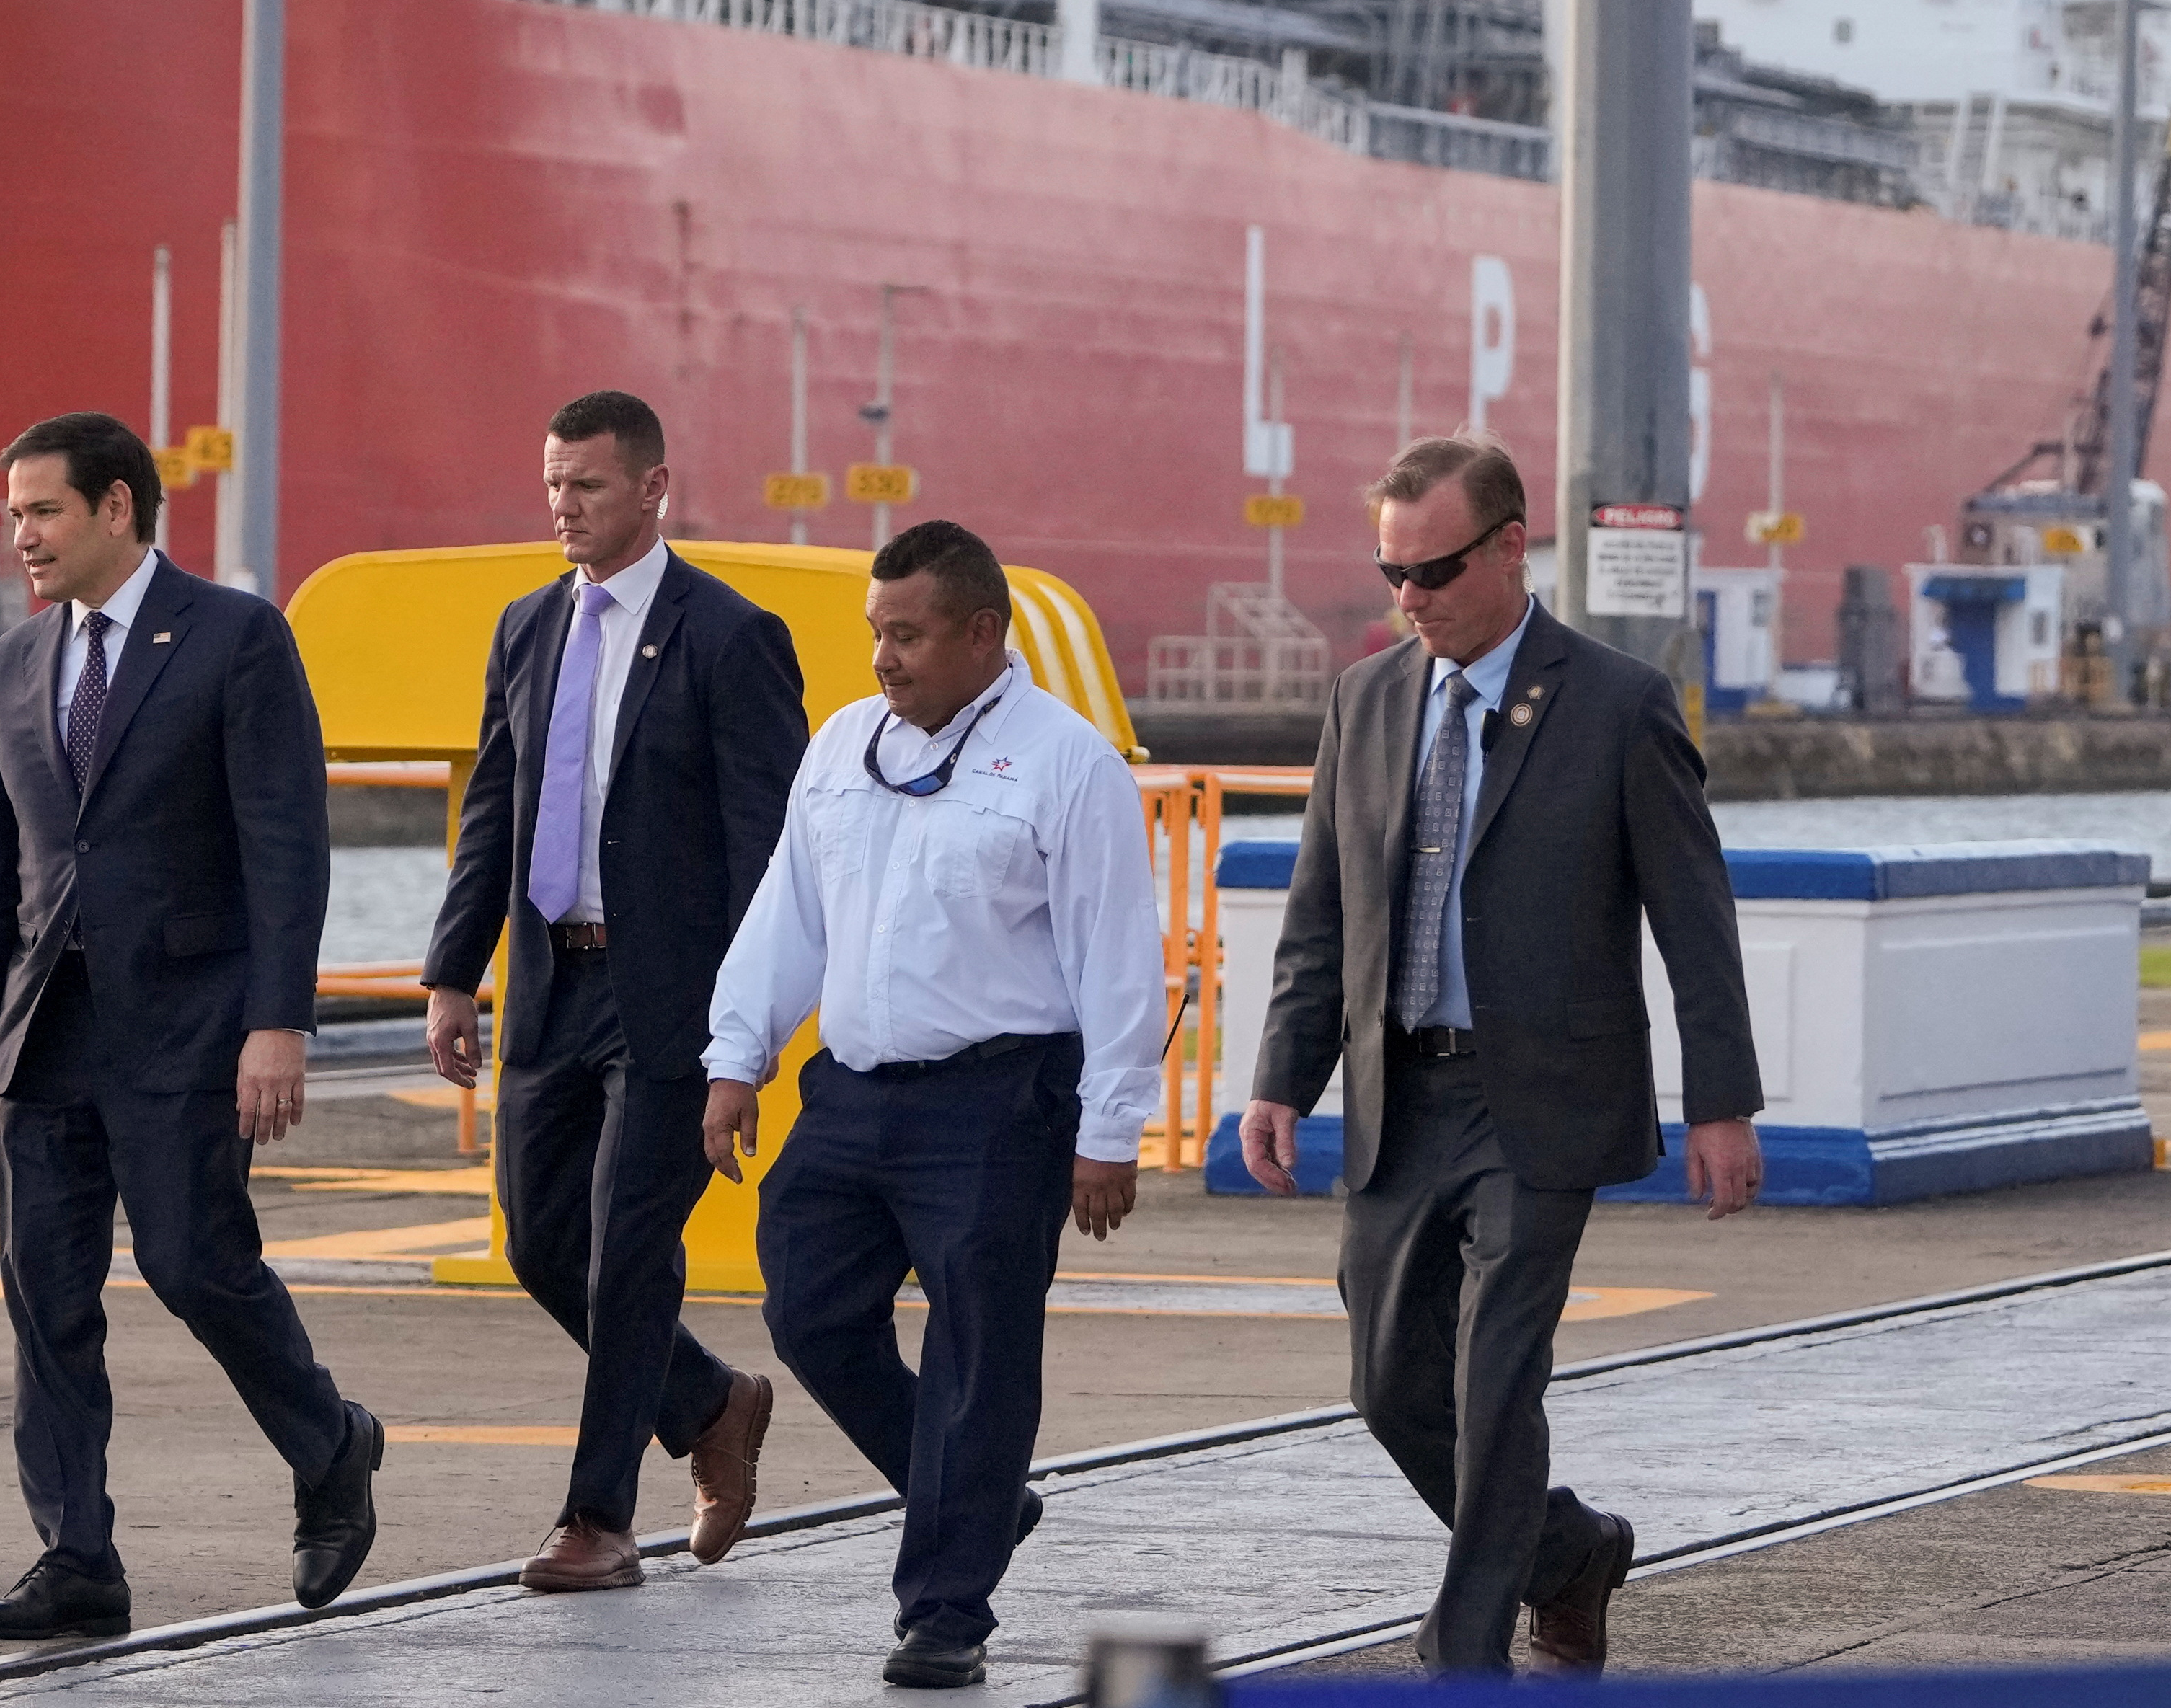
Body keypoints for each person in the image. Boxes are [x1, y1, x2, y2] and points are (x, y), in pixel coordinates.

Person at [1241, 435, 1763, 1677]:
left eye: (1433, 570)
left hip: (1541, 1102)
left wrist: (1723, 1102)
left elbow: (1695, 917)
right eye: (1391, 571)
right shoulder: (1365, 701)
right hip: (1398, 1094)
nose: (1409, 597)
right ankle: (1569, 1551)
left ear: (1512, 544)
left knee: (1494, 1381)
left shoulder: (1619, 703)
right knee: (1387, 1385)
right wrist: (1279, 1078)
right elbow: (1322, 912)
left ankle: (1462, 1655)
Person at [0, 412, 384, 1640]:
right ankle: (76, 1556)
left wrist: (279, 1022)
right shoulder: (10, 663)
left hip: (187, 1024)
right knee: (45, 1296)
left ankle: (332, 1444)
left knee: (193, 1263)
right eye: (14, 514)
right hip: (43, 1032)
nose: (22, 535)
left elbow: (286, 844)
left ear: (118, 506)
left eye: (43, 511)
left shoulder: (235, 636)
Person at [699, 520, 1162, 1691]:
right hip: (854, 1091)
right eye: (876, 631)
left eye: (906, 634)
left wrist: (1110, 1131)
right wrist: (737, 1055)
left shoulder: (1067, 764)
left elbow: (1116, 954)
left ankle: (946, 1608)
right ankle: (975, 1497)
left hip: (1001, 1101)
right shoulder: (841, 747)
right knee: (808, 1308)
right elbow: (790, 912)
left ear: (981, 632)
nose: (883, 656)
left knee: (979, 1354)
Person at [423, 389, 805, 1591]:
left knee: (629, 1249)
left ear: (652, 487)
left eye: (585, 484)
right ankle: (711, 1400)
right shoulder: (528, 626)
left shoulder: (731, 636)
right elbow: (495, 805)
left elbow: (771, 856)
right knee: (543, 1240)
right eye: (552, 483)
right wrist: (452, 971)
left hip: (674, 1000)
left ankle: (598, 1517)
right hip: (550, 981)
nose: (563, 505)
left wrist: (749, 1032)